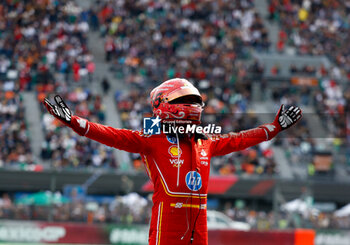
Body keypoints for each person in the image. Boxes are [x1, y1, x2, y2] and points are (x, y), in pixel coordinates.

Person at [43, 78, 302, 245]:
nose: (192, 105)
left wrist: (275, 127)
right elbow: (111, 135)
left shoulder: (205, 141)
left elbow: (241, 139)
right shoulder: (151, 139)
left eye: (193, 101)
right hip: (167, 222)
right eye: (184, 100)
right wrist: (73, 121)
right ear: (162, 104)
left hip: (199, 225)